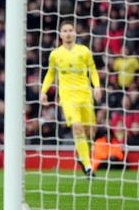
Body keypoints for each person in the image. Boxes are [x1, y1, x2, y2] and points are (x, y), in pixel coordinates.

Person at [41, 20, 102, 178]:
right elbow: (50, 73)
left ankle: (83, 156)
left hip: (85, 95)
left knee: (90, 132)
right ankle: (88, 166)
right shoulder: (55, 54)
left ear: (75, 33)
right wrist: (43, 91)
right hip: (67, 97)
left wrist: (97, 86)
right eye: (65, 30)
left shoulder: (84, 51)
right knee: (77, 127)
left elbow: (93, 70)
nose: (68, 33)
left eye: (70, 30)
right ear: (60, 34)